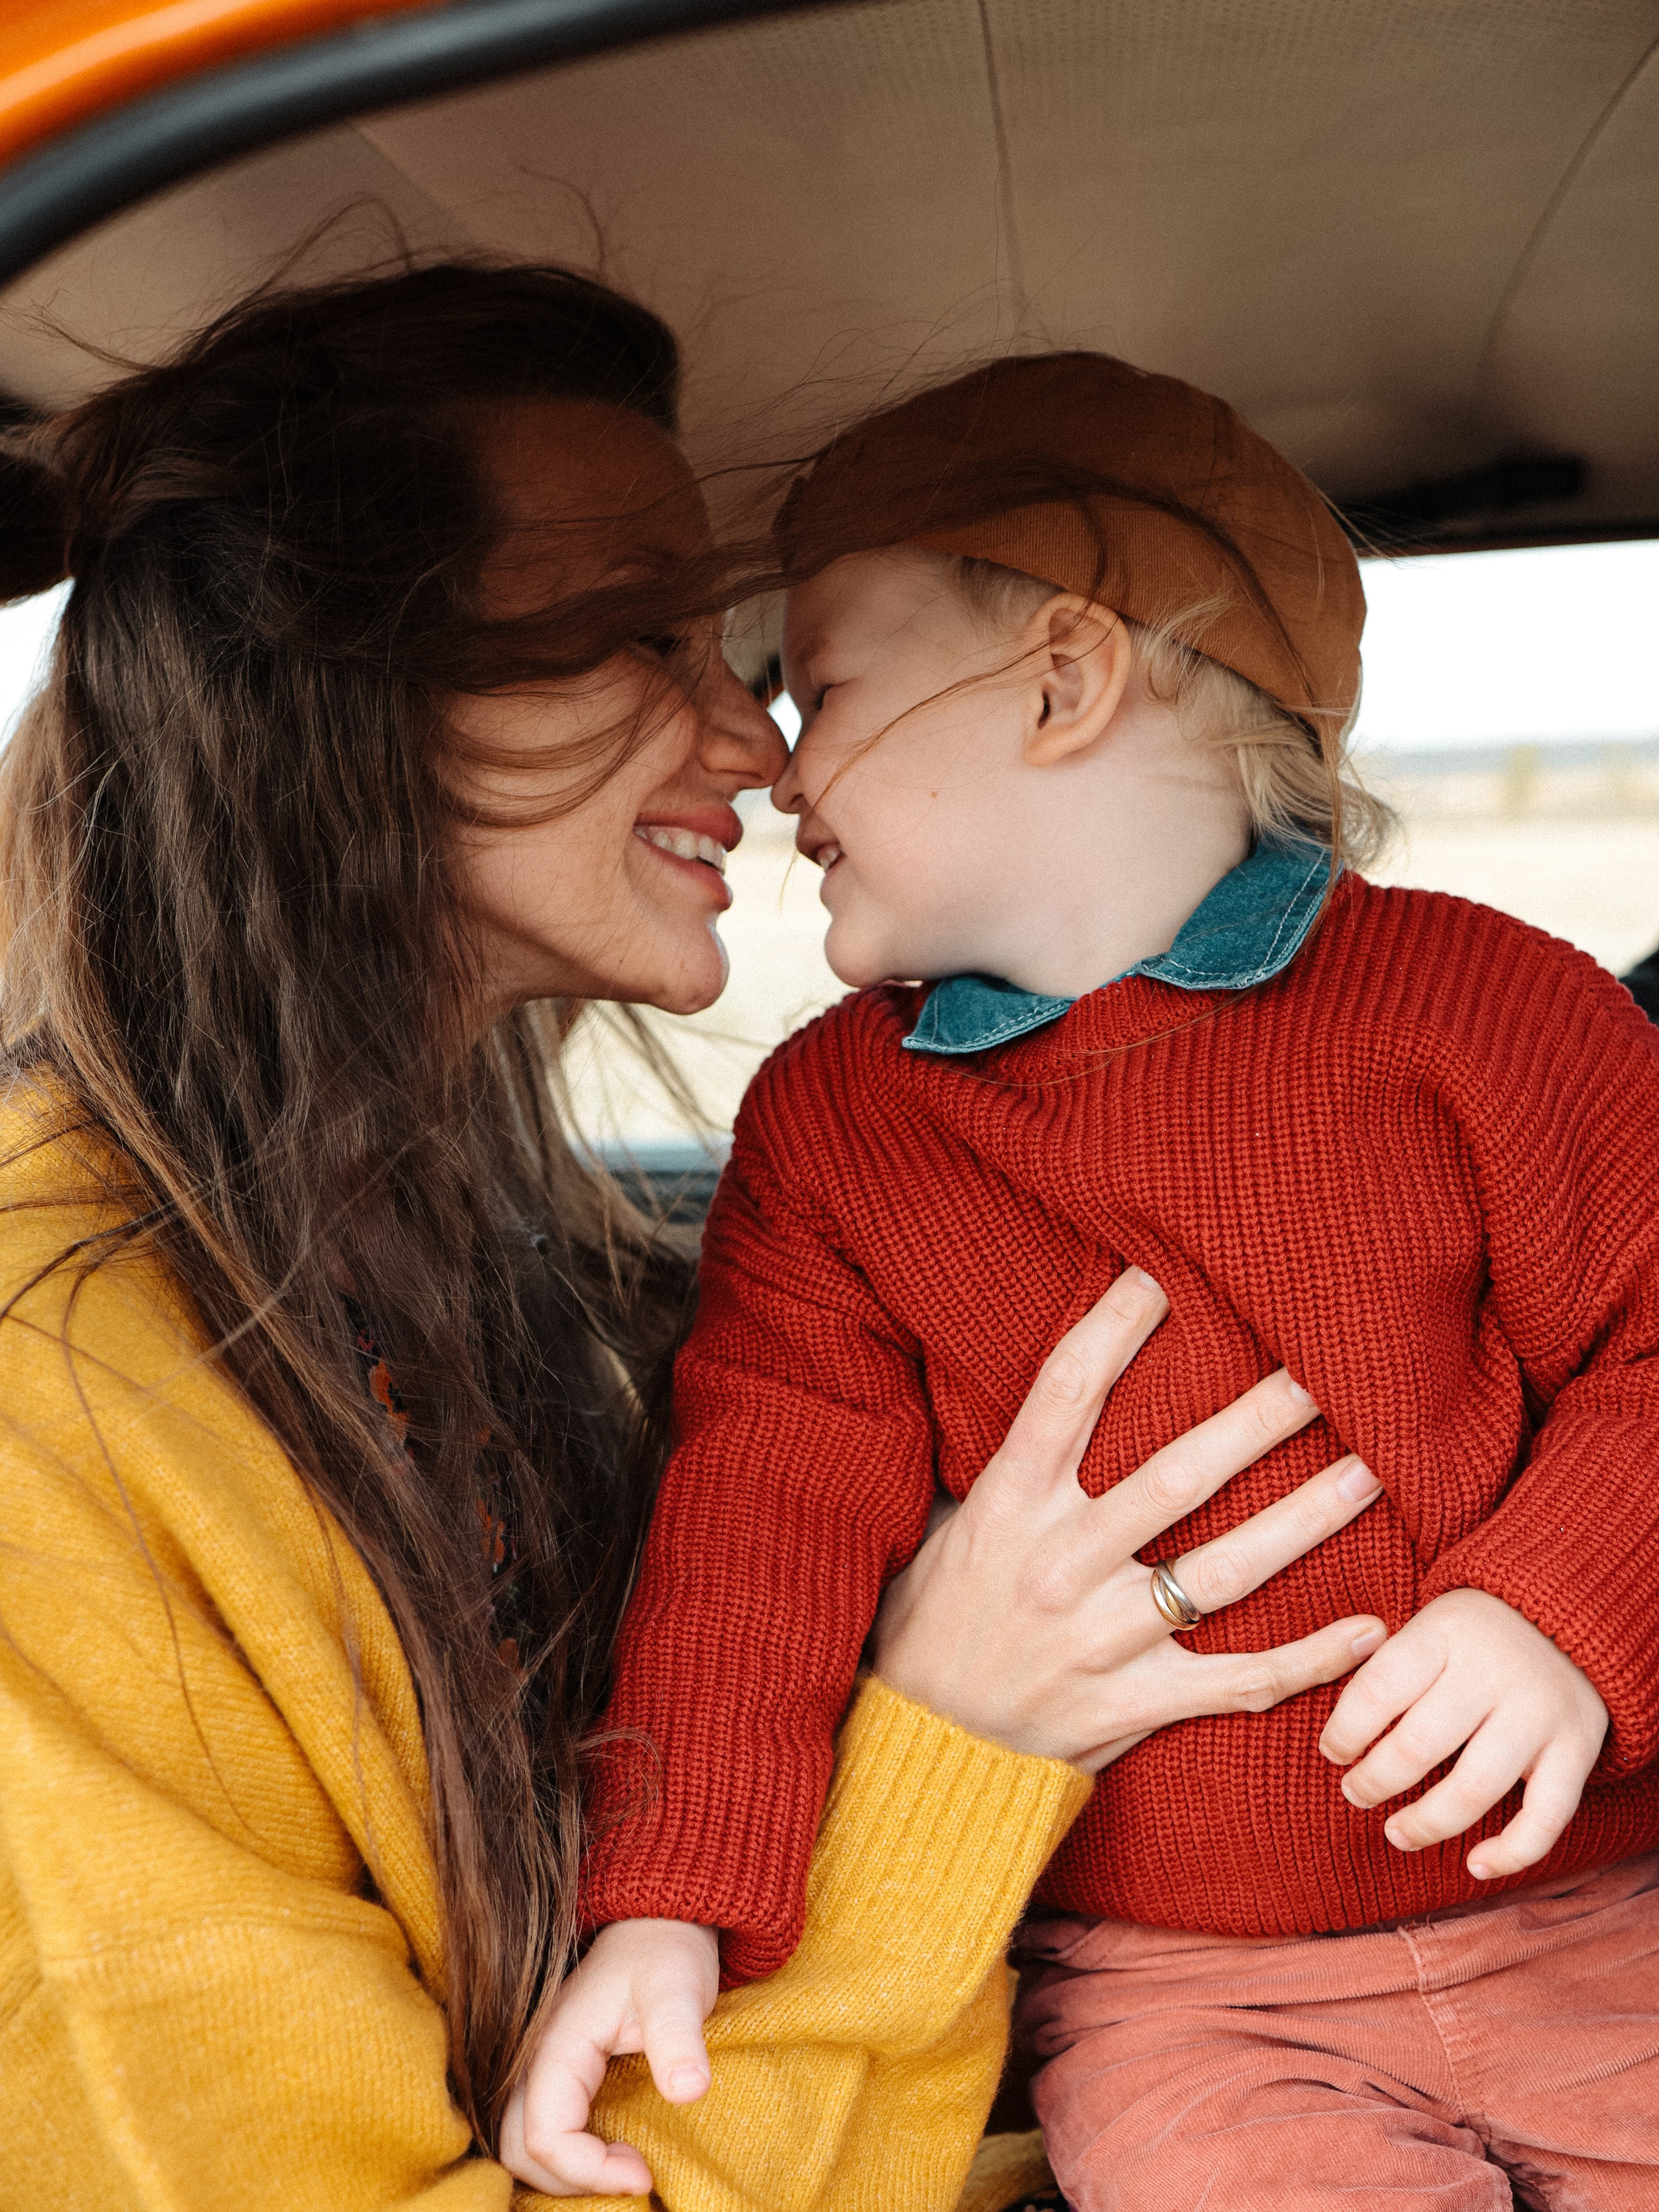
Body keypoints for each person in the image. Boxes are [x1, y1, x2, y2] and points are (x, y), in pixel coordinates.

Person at [0, 270, 1391, 2212]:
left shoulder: (464, 1245)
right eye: (644, 638)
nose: (759, 740)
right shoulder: (44, 1410)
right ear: (338, 703)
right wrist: (955, 1736)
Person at [529, 354, 1659, 2209]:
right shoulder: (831, 1130)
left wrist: (1555, 1610)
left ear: (1063, 677)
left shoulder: (1494, 1011)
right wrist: (666, 1900)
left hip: (1600, 1910)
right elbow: (760, 1518)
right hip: (1182, 1997)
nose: (778, 766)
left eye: (826, 690)